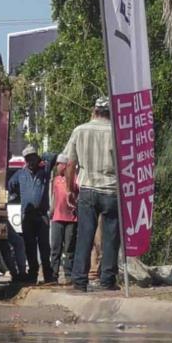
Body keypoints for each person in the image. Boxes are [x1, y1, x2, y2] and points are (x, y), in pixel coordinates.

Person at [65, 97, 120, 292]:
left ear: (94, 111)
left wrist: (70, 190)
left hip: (88, 189)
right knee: (111, 237)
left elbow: (70, 164)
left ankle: (79, 281)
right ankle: (107, 280)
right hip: (112, 190)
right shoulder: (117, 132)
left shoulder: (80, 131)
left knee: (84, 236)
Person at [7, 145, 55, 284]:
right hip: (27, 216)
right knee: (30, 247)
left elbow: (52, 156)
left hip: (41, 216)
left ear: (36, 157)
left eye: (33, 157)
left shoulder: (44, 170)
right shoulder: (20, 174)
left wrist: (42, 158)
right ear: (25, 160)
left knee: (45, 247)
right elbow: (10, 185)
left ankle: (48, 275)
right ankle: (32, 275)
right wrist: (15, 192)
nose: (31, 161)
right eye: (28, 159)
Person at [49, 153, 78, 284]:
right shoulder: (55, 180)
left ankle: (68, 274)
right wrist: (52, 210)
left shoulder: (74, 179)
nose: (57, 167)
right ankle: (53, 275)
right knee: (55, 248)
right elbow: (54, 197)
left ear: (65, 165)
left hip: (71, 218)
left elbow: (77, 192)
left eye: (59, 164)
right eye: (57, 165)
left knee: (69, 248)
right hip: (57, 218)